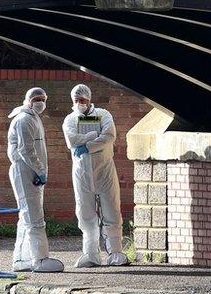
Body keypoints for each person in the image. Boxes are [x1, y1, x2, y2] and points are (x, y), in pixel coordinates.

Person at [62, 84, 129, 268]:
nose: (79, 103)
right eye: (76, 100)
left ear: (89, 99)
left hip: (104, 169)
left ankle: (115, 252)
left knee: (112, 209)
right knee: (85, 213)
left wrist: (88, 146)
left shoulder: (103, 114)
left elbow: (109, 135)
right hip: (82, 172)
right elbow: (72, 141)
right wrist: (93, 135)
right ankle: (91, 254)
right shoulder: (70, 119)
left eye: (82, 100)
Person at [7, 87, 64, 273]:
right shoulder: (24, 119)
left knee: (26, 216)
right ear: (29, 100)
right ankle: (39, 259)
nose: (40, 102)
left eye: (43, 98)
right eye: (37, 98)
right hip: (26, 171)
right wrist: (40, 170)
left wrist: (40, 171)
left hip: (30, 171)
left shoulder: (32, 118)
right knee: (34, 217)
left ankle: (22, 259)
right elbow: (26, 150)